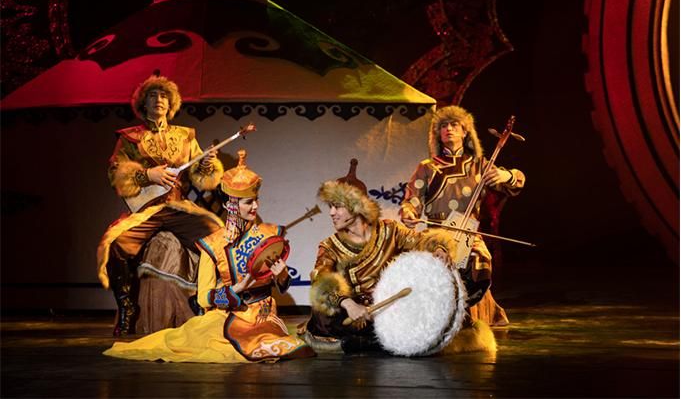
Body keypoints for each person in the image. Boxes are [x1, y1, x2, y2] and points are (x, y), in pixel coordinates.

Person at [103, 150, 315, 363]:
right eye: (248, 202)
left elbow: (281, 286)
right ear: (230, 205)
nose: (255, 207)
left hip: (263, 315)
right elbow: (204, 298)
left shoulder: (269, 233)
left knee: (284, 347)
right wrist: (236, 289)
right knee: (208, 345)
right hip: (230, 315)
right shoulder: (213, 244)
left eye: (256, 200)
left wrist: (282, 275)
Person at [300, 160, 496, 354]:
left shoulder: (389, 230)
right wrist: (349, 304)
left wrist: (438, 247)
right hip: (358, 314)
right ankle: (372, 342)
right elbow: (321, 280)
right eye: (330, 207)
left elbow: (420, 240)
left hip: (391, 310)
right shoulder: (330, 246)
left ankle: (367, 344)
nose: (331, 213)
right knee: (322, 313)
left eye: (337, 206)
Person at [97, 73, 224, 336]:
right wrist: (147, 175)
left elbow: (200, 174)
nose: (159, 100)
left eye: (164, 95)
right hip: (148, 210)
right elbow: (115, 172)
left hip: (177, 207)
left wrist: (206, 163)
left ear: (171, 103)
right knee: (117, 245)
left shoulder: (185, 135)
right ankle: (127, 308)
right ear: (143, 103)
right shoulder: (130, 138)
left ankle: (208, 301)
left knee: (217, 237)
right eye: (153, 95)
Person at [400, 105, 526, 326]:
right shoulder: (427, 167)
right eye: (443, 126)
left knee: (480, 262)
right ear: (438, 133)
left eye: (454, 125)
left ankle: (461, 308)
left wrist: (505, 176)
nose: (448, 129)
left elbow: (515, 183)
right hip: (436, 233)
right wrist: (409, 212)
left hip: (467, 231)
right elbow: (413, 200)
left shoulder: (478, 165)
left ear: (465, 131)